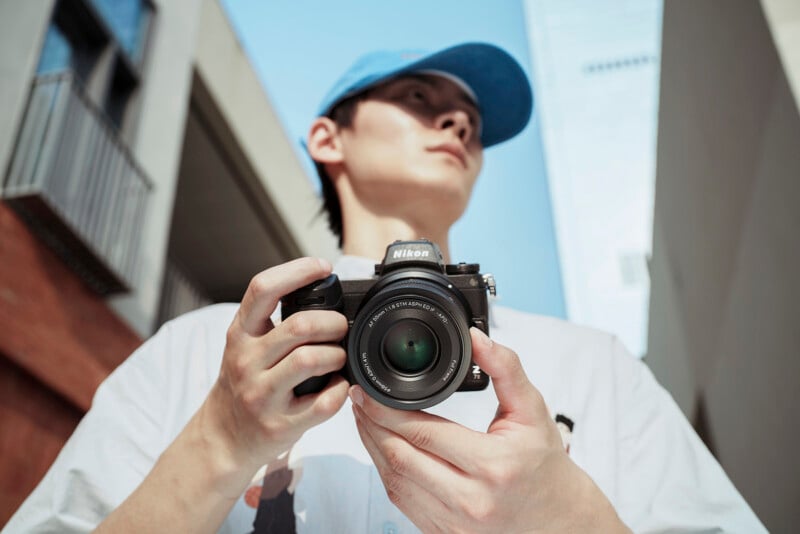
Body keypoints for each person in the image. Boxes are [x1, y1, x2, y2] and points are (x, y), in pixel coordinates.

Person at [4, 42, 765, 533]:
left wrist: (567, 518)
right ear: (328, 138)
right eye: (418, 99)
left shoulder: (593, 366)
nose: (458, 124)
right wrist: (220, 440)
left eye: (468, 119)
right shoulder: (205, 352)